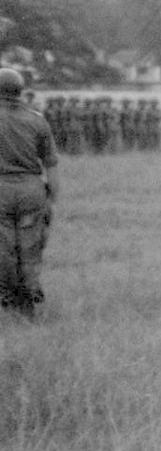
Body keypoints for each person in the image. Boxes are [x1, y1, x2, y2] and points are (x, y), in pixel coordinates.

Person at [0, 68, 60, 317]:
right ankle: (29, 295)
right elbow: (51, 166)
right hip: (31, 189)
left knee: (4, 246)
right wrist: (51, 199)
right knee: (30, 245)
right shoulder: (37, 119)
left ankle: (8, 296)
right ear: (21, 90)